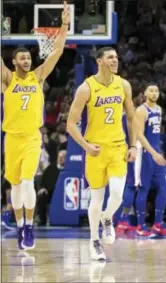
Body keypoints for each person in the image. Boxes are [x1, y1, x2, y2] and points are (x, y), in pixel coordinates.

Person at [67, 48, 166, 260]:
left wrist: (132, 146)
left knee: (118, 194)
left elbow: (132, 119)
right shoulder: (86, 88)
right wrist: (85, 146)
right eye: (110, 57)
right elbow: (70, 124)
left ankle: (107, 218)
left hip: (117, 147)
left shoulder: (123, 85)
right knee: (96, 198)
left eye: (116, 57)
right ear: (99, 61)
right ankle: (94, 241)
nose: (115, 60)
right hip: (95, 150)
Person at [1, 1, 70, 250]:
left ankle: (29, 226)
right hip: (11, 138)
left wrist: (64, 24)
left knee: (28, 182)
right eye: (22, 58)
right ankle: (20, 227)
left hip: (31, 137)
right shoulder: (7, 79)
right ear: (14, 61)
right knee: (16, 186)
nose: (27, 60)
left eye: (29, 57)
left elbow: (58, 50)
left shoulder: (38, 76)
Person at [116, 83, 166, 238]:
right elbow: (139, 135)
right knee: (141, 188)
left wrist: (158, 151)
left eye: (157, 91)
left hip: (156, 151)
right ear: (144, 93)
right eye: (151, 90)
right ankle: (140, 225)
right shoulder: (141, 110)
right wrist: (153, 153)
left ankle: (158, 224)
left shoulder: (159, 109)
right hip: (144, 153)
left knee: (165, 187)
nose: (154, 93)